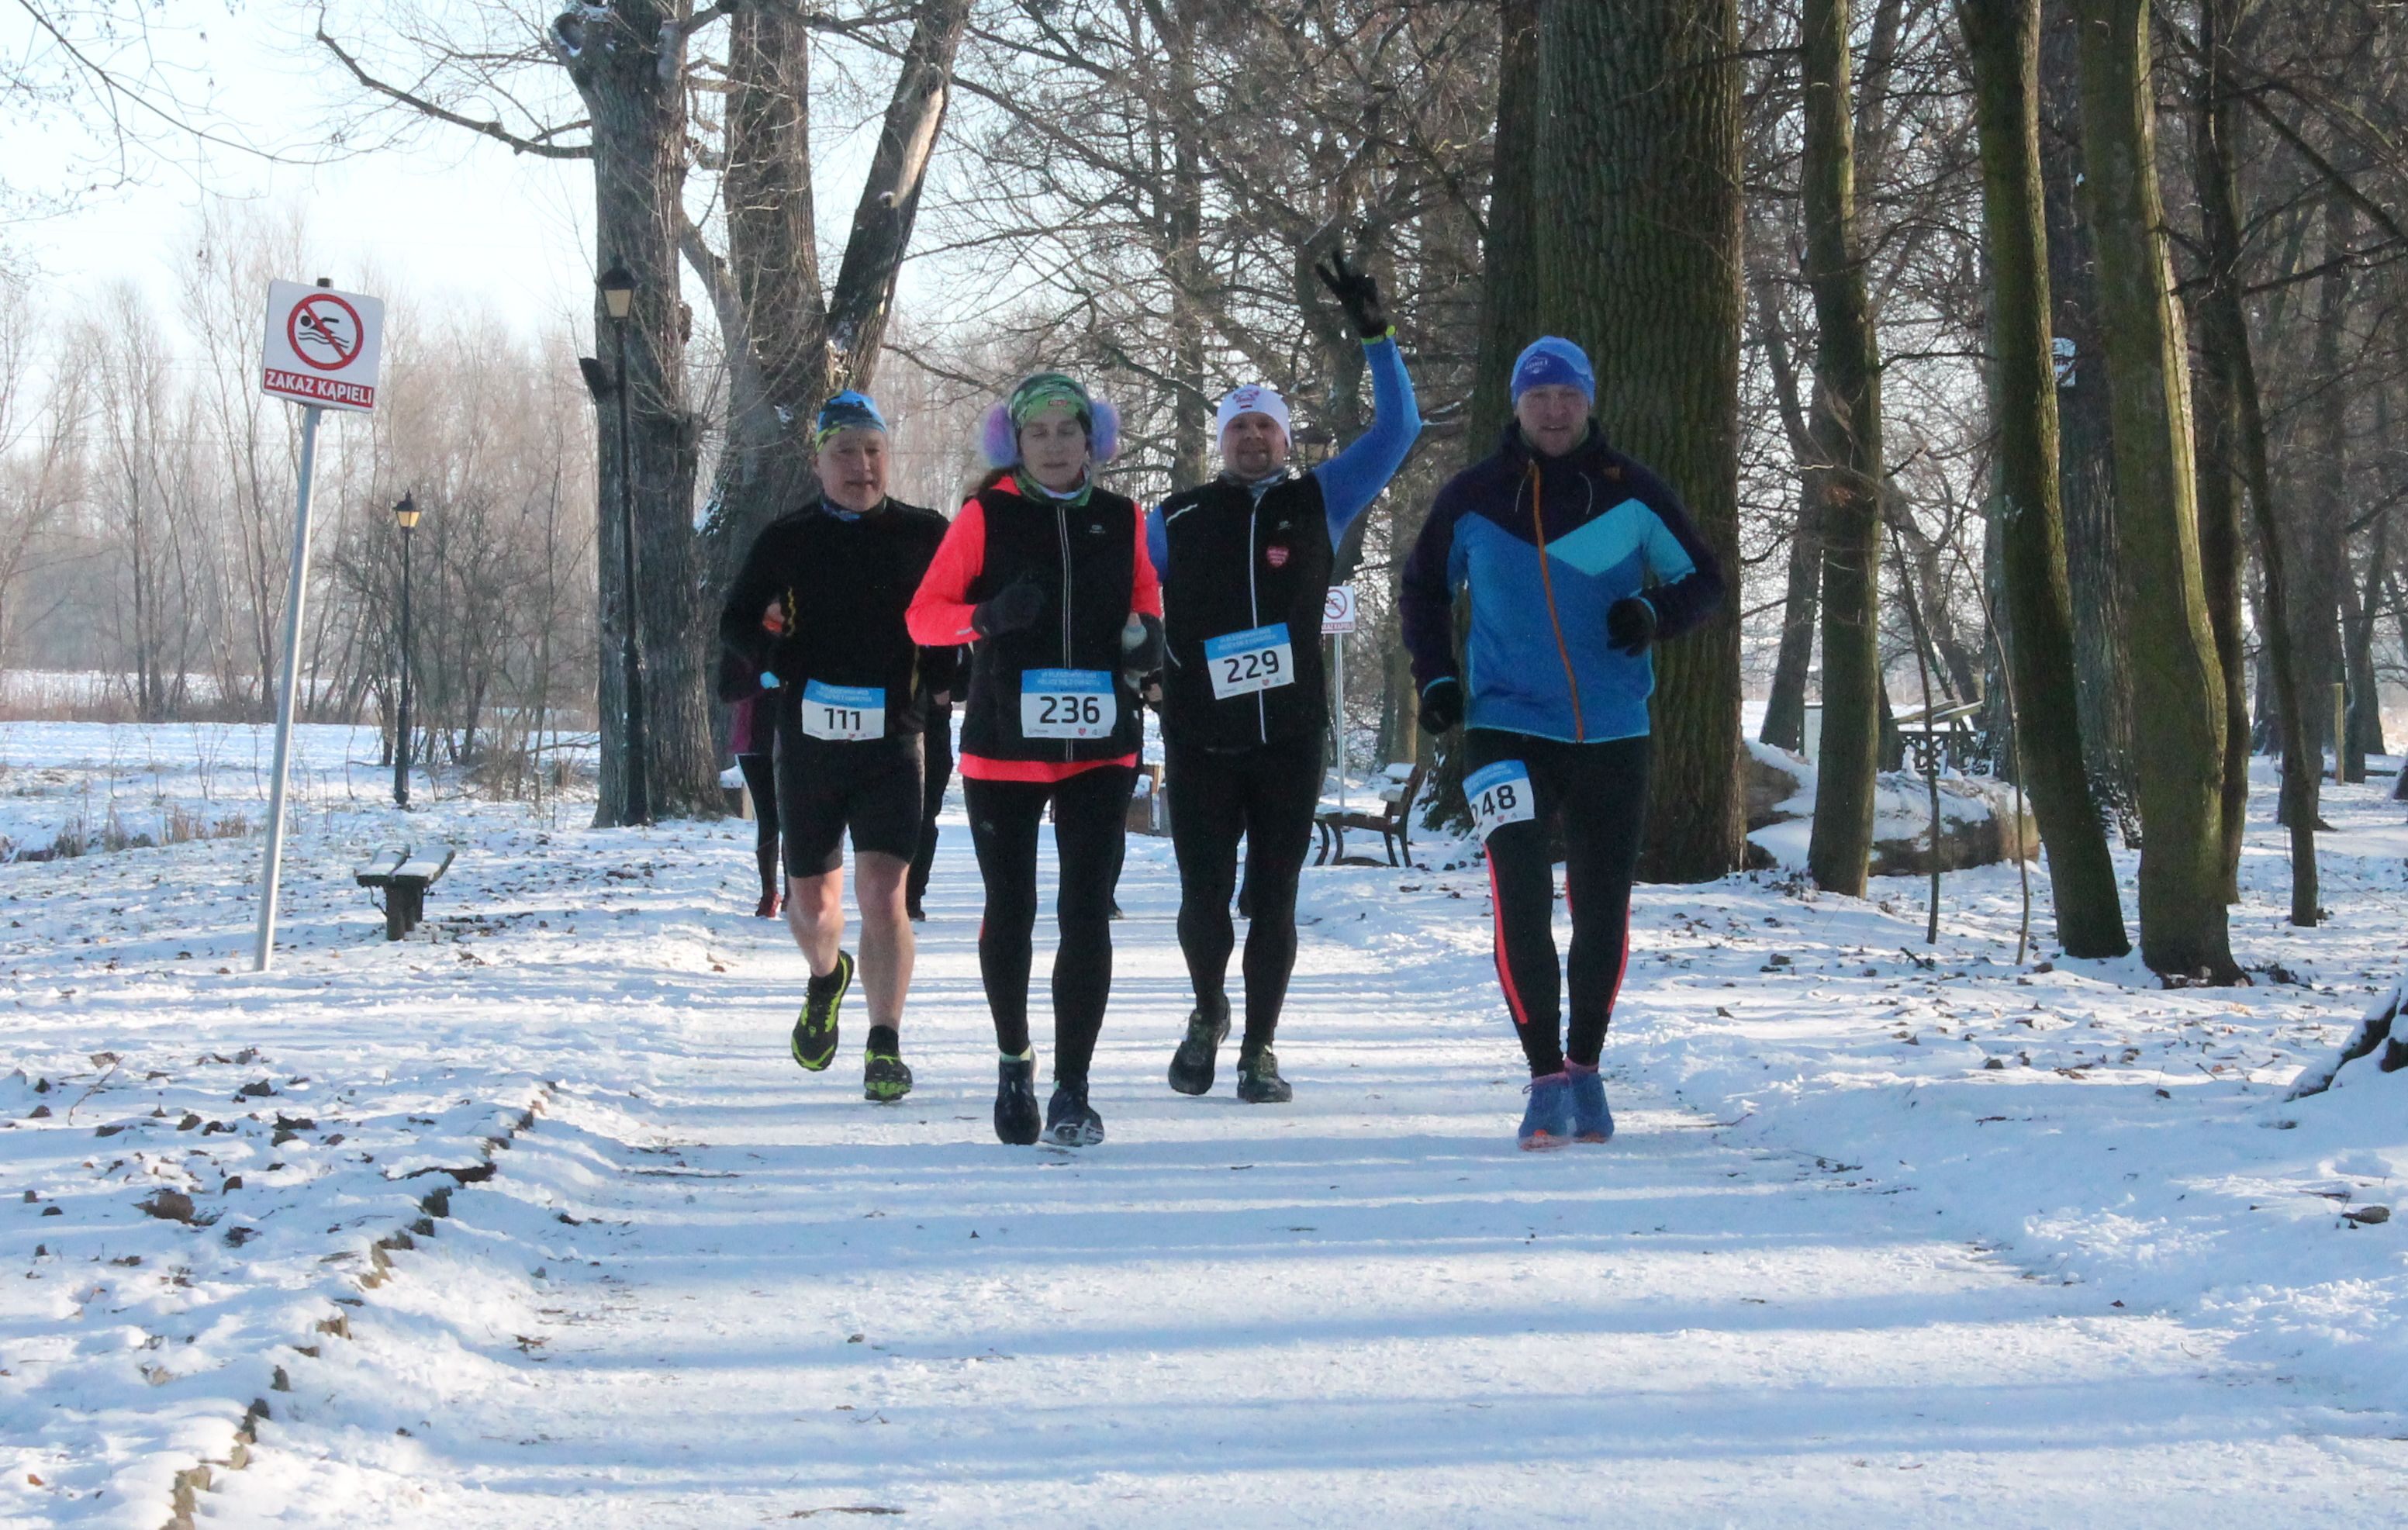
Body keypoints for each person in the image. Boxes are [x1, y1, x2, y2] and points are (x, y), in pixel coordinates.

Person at [1400, 337, 1724, 1149]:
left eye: (1567, 396)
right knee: (1520, 895)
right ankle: (1544, 1077)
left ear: (1588, 402)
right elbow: (1421, 588)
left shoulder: (1632, 492)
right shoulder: (1474, 496)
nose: (1553, 410)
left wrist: (1655, 613)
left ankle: (1586, 1064)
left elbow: (1705, 580)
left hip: (1614, 730)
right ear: (1517, 403)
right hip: (1505, 729)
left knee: (1601, 904)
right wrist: (1438, 678)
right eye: (1539, 396)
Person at [1149, 248, 1421, 1103]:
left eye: (1266, 426)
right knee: (1202, 899)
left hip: (1290, 739)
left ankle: (1259, 1048)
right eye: (1239, 428)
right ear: (1221, 442)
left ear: (1286, 436)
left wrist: (1376, 337)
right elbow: (1121, 592)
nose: (1253, 439)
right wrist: (1139, 666)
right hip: (1200, 737)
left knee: (1275, 898)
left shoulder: (1320, 498)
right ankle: (1206, 1011)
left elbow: (1399, 431)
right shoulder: (1176, 516)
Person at [907, 373, 1163, 1148]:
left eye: (1068, 430)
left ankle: (1073, 1090)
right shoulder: (986, 517)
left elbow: (1149, 601)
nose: (1054, 445)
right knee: (1011, 910)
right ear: (1014, 443)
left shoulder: (1125, 518)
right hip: (1004, 745)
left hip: (1100, 745)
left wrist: (1146, 637)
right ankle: (1015, 1059)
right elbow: (924, 619)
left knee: (1085, 911)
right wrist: (982, 617)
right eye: (1039, 431)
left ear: (1094, 441)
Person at [719, 392, 955, 1104]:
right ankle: (826, 977)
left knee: (885, 895)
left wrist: (951, 673)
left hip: (896, 740)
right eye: (845, 452)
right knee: (816, 911)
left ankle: (884, 1043)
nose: (862, 465)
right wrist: (770, 654)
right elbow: (735, 622)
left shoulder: (924, 532)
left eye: (873, 450)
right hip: (811, 743)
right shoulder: (786, 539)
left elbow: (957, 613)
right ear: (819, 462)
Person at [904, 645, 967, 922]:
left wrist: (944, 693)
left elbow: (965, 683)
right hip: (898, 726)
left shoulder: (950, 638)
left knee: (925, 816)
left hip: (932, 729)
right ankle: (896, 895)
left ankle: (911, 895)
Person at [729, 692, 781, 917]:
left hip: (791, 738)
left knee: (792, 816)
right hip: (753, 743)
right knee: (768, 817)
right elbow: (727, 689)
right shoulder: (744, 657)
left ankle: (794, 893)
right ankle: (769, 892)